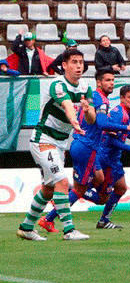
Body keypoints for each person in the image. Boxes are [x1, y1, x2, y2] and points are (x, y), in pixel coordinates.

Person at [38, 70, 130, 232]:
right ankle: (56, 213)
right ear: (99, 82)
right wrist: (129, 139)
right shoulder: (102, 102)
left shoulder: (97, 99)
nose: (112, 83)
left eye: (113, 80)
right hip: (92, 149)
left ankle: (97, 217)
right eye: (108, 80)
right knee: (89, 192)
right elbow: (102, 125)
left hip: (90, 148)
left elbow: (102, 124)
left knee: (104, 184)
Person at [16, 49, 94, 241]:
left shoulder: (85, 86)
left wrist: (87, 110)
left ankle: (26, 227)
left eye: (81, 62)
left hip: (60, 143)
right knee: (61, 181)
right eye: (74, 62)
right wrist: (75, 122)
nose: (78, 66)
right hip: (43, 139)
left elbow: (92, 118)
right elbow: (67, 105)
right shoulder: (57, 84)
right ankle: (69, 230)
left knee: (48, 189)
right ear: (64, 65)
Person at [94, 85, 130, 228]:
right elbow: (109, 139)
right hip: (106, 159)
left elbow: (123, 132)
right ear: (122, 98)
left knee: (121, 188)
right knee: (99, 197)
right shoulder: (118, 113)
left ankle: (104, 220)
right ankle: (69, 195)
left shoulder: (125, 113)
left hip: (114, 159)